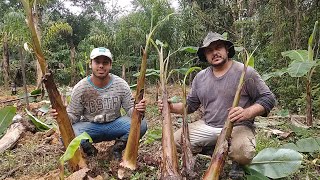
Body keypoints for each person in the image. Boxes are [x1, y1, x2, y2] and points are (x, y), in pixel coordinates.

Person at [158, 32, 276, 178]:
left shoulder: (245, 72)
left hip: (237, 126)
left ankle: (236, 162)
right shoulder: (200, 78)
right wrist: (170, 108)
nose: (215, 53)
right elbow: (190, 106)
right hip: (208, 125)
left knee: (243, 152)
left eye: (218, 47)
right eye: (209, 50)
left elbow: (268, 98)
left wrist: (247, 112)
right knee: (175, 141)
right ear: (205, 56)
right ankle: (212, 147)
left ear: (227, 49)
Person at [51, 47, 148, 160]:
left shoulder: (121, 85)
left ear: (110, 65)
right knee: (66, 134)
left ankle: (116, 148)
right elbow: (73, 117)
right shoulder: (81, 88)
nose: (101, 66)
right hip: (90, 126)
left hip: (114, 124)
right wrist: (62, 114)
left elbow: (131, 110)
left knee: (142, 125)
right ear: (90, 64)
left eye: (105, 62)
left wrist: (138, 109)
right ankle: (90, 151)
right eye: (97, 62)